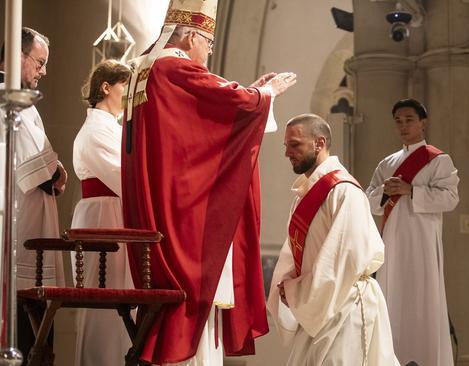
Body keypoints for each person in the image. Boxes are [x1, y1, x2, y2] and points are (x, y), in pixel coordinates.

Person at [121, 1, 296, 365]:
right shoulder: (174, 68)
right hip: (188, 212)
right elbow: (218, 108)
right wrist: (265, 96)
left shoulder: (145, 68)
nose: (209, 52)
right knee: (199, 304)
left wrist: (249, 95)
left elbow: (190, 129)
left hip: (160, 198)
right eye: (208, 43)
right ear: (188, 37)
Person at [267, 113, 400, 365]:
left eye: (294, 144)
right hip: (319, 307)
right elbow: (295, 253)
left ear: (319, 143)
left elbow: (341, 260)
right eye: (286, 146)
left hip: (345, 309)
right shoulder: (304, 194)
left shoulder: (344, 191)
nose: (287, 153)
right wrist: (288, 285)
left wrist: (297, 291)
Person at [366, 98, 459, 366]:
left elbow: (450, 198)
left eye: (409, 120)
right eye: (398, 121)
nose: (403, 126)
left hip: (422, 241)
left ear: (422, 122)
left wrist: (411, 191)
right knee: (390, 297)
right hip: (392, 241)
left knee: (423, 298)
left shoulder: (437, 159)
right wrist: (384, 191)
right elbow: (368, 200)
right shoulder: (387, 163)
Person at [0, 26, 67, 358]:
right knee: (29, 334)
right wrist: (57, 171)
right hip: (22, 222)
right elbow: (38, 171)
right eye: (39, 63)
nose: (43, 71)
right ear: (18, 56)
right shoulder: (13, 101)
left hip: (19, 215)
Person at [71, 59, 132, 366]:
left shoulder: (113, 127)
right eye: (125, 85)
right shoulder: (96, 130)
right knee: (103, 304)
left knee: (121, 302)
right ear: (106, 87)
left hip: (116, 214)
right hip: (102, 217)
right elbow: (125, 176)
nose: (130, 93)